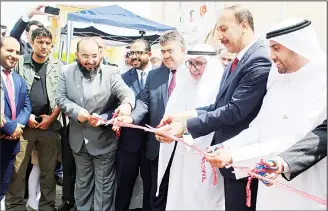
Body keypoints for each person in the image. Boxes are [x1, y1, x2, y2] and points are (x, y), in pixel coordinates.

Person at [155, 5, 271, 211]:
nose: (219, 36)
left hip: (242, 156)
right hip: (225, 159)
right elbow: (217, 106)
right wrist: (184, 116)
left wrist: (184, 127)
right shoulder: (238, 59)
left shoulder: (258, 58)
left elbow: (235, 111)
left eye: (224, 29)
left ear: (244, 25)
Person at [205, 19, 327, 210]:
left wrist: (234, 155)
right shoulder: (277, 79)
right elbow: (259, 128)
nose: (271, 56)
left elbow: (295, 138)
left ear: (297, 46)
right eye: (270, 48)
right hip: (270, 185)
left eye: (276, 48)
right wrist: (225, 146)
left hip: (305, 186)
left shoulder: (322, 81)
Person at [56, 37, 135, 211]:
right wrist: (77, 112)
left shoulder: (111, 73)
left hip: (104, 141)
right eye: (85, 56)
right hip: (78, 141)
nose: (90, 61)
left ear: (100, 53)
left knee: (104, 185)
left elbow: (126, 93)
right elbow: (60, 98)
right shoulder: (66, 72)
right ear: (76, 55)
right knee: (82, 182)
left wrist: (126, 105)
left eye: (94, 55)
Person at [114, 30, 187, 211]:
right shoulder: (156, 76)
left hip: (184, 148)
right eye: (163, 51)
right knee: (155, 196)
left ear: (183, 50)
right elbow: (144, 103)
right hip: (156, 149)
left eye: (170, 50)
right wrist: (130, 117)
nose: (166, 55)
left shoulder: (193, 72)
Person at [158, 43, 225, 210]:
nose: (194, 69)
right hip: (183, 155)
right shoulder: (184, 85)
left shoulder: (218, 88)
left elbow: (214, 120)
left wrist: (183, 131)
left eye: (199, 64)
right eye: (191, 63)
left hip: (207, 157)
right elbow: (173, 116)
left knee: (205, 200)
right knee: (181, 196)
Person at [5, 28, 63, 211]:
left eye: (47, 43)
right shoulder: (20, 62)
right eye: (40, 42)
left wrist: (52, 117)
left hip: (49, 126)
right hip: (24, 125)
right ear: (32, 42)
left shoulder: (58, 66)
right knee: (18, 170)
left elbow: (62, 95)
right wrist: (26, 116)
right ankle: (15, 206)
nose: (44, 46)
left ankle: (47, 206)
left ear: (51, 45)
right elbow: (14, 89)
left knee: (48, 171)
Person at [115, 39, 152, 211]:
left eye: (138, 53)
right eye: (131, 53)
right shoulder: (122, 79)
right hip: (128, 142)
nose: (134, 57)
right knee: (124, 185)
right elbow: (113, 105)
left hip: (153, 143)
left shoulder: (159, 76)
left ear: (149, 54)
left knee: (150, 187)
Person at [0, 36, 32, 200]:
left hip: (11, 144)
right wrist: (10, 127)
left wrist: (18, 126)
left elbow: (27, 105)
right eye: (9, 50)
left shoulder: (19, 80)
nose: (14, 55)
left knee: (2, 188)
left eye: (17, 52)